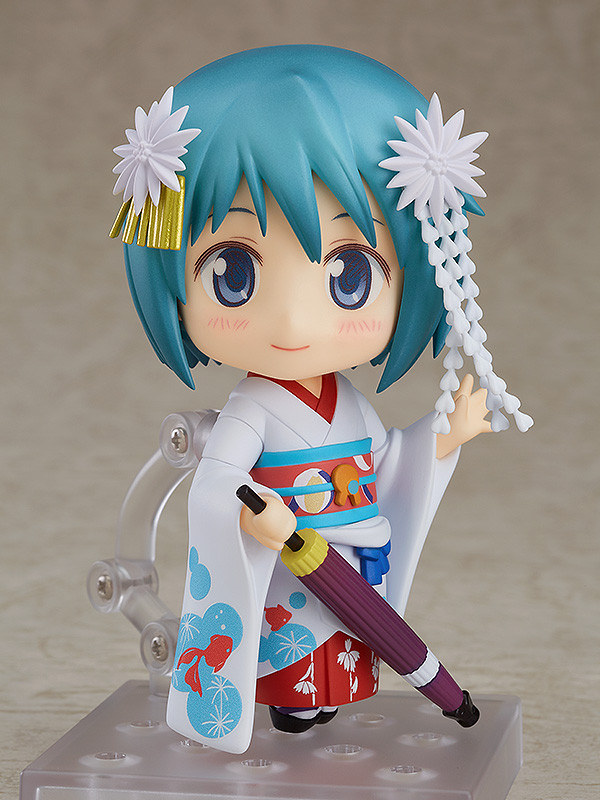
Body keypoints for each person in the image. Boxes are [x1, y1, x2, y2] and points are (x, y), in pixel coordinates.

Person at [110, 45, 531, 753]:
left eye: (350, 276)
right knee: (294, 661)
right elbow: (217, 481)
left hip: (351, 562)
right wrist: (254, 512)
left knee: (341, 658)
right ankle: (293, 710)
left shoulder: (349, 405)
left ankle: (324, 705)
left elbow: (387, 460)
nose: (293, 322)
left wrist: (443, 436)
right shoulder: (251, 411)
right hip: (287, 562)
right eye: (234, 273)